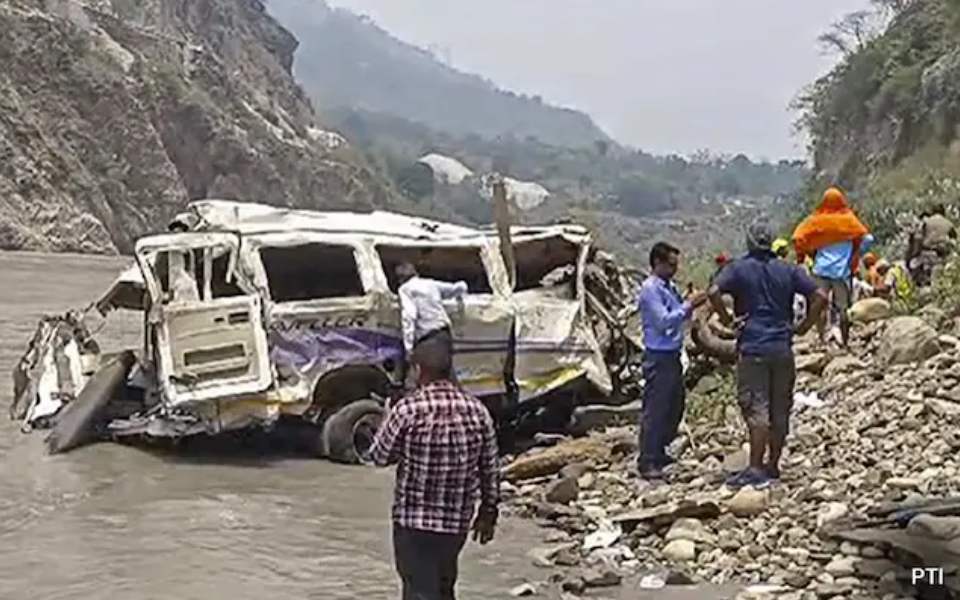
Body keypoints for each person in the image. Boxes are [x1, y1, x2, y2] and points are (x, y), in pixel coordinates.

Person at [367, 336, 499, 600]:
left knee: (418, 591)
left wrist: (386, 415)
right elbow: (490, 468)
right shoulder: (477, 411)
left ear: (418, 370)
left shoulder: (407, 409)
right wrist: (488, 511)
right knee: (444, 587)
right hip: (456, 524)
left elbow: (379, 457)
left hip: (413, 522)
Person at [709, 220, 828, 488]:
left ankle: (754, 467)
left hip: (752, 346)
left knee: (756, 407)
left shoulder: (738, 268)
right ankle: (773, 465)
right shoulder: (788, 269)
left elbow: (713, 291)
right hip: (782, 346)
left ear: (749, 241)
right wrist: (805, 325)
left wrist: (728, 320)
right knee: (780, 408)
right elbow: (820, 295)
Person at [637, 242, 707, 480]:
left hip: (672, 353)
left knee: (674, 405)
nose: (675, 270)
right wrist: (690, 305)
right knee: (655, 408)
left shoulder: (669, 288)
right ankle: (647, 459)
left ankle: (660, 450)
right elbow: (664, 321)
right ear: (657, 263)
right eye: (671, 265)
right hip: (658, 355)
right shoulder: (650, 290)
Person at [793, 187, 871, 348]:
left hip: (820, 270)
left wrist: (808, 253)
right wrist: (856, 252)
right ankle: (845, 341)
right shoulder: (849, 220)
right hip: (841, 272)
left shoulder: (817, 220)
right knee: (844, 309)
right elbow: (867, 238)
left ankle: (821, 339)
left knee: (819, 305)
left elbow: (798, 237)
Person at [396, 262, 468, 383]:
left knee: (427, 377)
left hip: (428, 339)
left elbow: (409, 315)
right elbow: (455, 289)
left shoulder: (405, 289)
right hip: (444, 335)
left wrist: (408, 347)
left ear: (401, 279)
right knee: (446, 373)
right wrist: (463, 286)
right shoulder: (430, 284)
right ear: (416, 274)